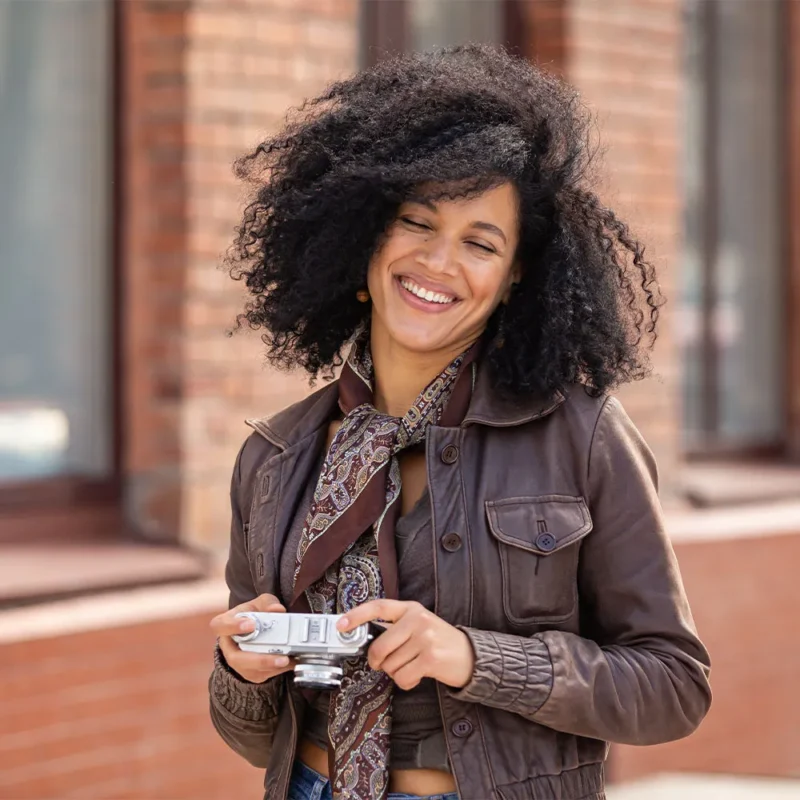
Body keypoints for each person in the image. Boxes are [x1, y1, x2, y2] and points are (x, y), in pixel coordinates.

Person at [207, 43, 711, 800]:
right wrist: (240, 672)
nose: (440, 262)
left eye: (481, 242)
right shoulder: (276, 455)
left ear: (514, 279)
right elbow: (252, 739)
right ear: (366, 238)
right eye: (417, 222)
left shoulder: (582, 436)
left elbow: (673, 686)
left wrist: (475, 658)